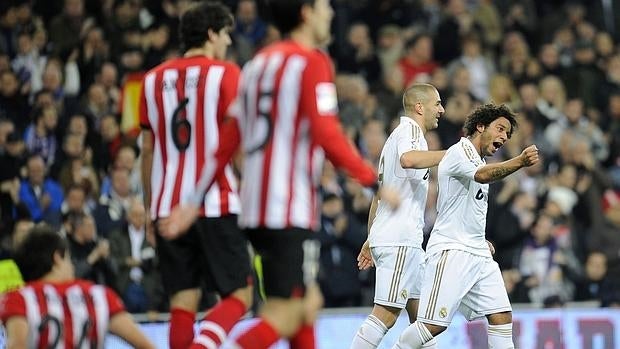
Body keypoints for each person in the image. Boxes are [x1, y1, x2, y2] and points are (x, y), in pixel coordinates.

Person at [159, 0, 399, 347]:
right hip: (288, 209)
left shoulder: (256, 65)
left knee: (303, 305)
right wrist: (370, 179)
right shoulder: (312, 61)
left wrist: (194, 199)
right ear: (306, 12)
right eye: (323, 7)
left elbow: (228, 138)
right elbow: (326, 131)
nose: (330, 13)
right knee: (290, 312)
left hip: (255, 208)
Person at [139, 3, 252, 349]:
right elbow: (237, 143)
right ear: (211, 34)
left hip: (167, 207)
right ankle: (204, 346)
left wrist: (149, 209)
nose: (229, 41)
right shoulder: (226, 74)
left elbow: (147, 150)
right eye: (225, 33)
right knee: (241, 296)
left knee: (182, 303)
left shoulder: (151, 80)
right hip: (215, 200)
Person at [391, 104, 539, 349]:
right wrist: (520, 161)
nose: (503, 136)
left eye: (507, 134)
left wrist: (479, 240)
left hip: (476, 252)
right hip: (452, 250)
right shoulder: (461, 150)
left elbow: (468, 205)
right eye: (500, 129)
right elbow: (481, 175)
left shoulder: (477, 160)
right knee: (432, 325)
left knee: (501, 316)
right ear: (480, 126)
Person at [351, 83, 445, 349]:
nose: (441, 110)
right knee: (386, 314)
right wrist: (453, 154)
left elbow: (379, 195)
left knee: (422, 320)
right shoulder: (410, 132)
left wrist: (371, 237)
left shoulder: (397, 136)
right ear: (419, 107)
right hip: (400, 238)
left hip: (400, 238)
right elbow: (409, 159)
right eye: (437, 104)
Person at [0, 225, 154, 349]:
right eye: (68, 258)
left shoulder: (18, 299)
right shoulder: (99, 296)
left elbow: (17, 345)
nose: (72, 265)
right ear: (57, 258)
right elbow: (145, 345)